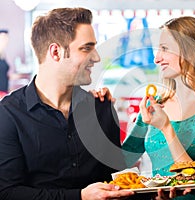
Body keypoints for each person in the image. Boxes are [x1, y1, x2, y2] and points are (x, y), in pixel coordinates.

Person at [0, 7, 138, 200]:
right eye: (86, 48)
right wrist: (80, 196)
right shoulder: (9, 115)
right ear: (56, 52)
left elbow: (118, 183)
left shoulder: (102, 107)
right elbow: (7, 193)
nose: (96, 57)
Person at [121, 16, 195, 200]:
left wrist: (167, 128)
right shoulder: (157, 104)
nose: (156, 58)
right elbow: (122, 160)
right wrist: (101, 109)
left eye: (165, 49)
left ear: (191, 51)